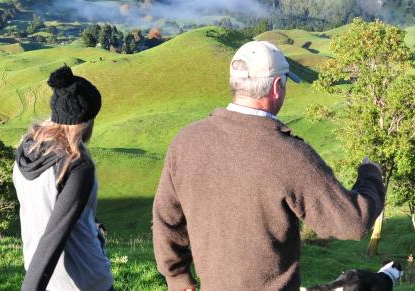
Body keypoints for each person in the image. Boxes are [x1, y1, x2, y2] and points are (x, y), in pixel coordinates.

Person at [152, 41, 386, 290]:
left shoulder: (185, 141)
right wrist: (370, 175)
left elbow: (166, 217)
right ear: (276, 87)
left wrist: (176, 275)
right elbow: (352, 222)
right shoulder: (290, 155)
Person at [13, 65, 113, 291]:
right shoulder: (77, 164)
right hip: (85, 281)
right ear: (87, 120)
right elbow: (54, 234)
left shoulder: (25, 150)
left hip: (42, 273)